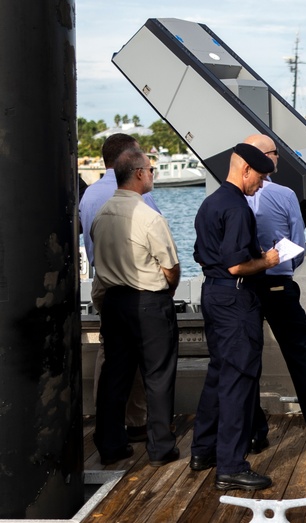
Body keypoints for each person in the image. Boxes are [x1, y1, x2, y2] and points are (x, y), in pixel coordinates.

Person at [242, 134, 306, 455]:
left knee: (247, 363)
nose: (278, 160)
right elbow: (298, 250)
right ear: (265, 158)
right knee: (299, 361)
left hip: (245, 288)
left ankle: (255, 433)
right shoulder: (284, 195)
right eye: (275, 154)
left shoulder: (232, 196)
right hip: (279, 286)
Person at [190, 143, 280, 491]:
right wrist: (267, 261)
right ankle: (230, 464)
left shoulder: (210, 203)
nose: (261, 184)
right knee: (239, 381)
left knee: (219, 374)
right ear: (245, 170)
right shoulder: (238, 208)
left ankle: (203, 450)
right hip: (236, 296)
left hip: (213, 294)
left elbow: (202, 253)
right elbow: (236, 264)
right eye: (260, 177)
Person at [91, 148, 180, 467]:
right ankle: (160, 447)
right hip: (148, 303)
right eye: (151, 169)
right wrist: (163, 294)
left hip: (115, 302)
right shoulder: (148, 216)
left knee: (115, 375)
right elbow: (171, 268)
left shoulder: (102, 214)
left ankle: (109, 444)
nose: (153, 174)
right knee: (158, 375)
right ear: (139, 173)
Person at [80, 133, 158, 440]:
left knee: (109, 351)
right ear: (131, 160)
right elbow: (157, 239)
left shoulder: (89, 196)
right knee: (139, 353)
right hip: (136, 281)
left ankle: (107, 420)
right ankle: (137, 420)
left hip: (104, 281)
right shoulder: (139, 193)